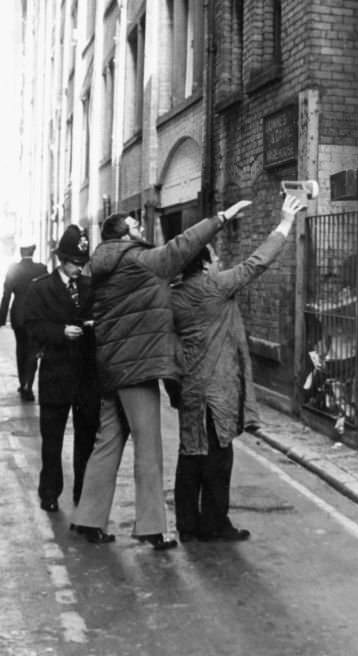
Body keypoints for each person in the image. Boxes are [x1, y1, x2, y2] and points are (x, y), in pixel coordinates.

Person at [70, 200, 251, 549]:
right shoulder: (137, 260)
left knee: (107, 442)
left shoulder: (101, 264)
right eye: (134, 226)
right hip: (137, 369)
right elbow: (179, 248)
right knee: (148, 449)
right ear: (123, 235)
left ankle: (88, 519)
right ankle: (152, 527)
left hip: (111, 365)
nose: (140, 229)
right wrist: (221, 218)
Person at [170, 194, 303, 542]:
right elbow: (256, 264)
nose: (218, 263)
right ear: (204, 265)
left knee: (190, 456)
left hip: (189, 388)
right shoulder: (213, 288)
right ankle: (214, 524)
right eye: (214, 258)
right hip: (217, 390)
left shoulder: (175, 296)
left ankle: (187, 523)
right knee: (217, 458)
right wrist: (285, 223)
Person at [25, 225, 100, 513]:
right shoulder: (41, 288)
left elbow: (99, 316)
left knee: (86, 441)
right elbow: (30, 326)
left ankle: (83, 494)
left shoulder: (89, 287)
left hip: (85, 376)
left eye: (83, 264)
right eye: (74, 264)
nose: (79, 269)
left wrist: (92, 326)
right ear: (61, 260)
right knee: (52, 440)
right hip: (56, 373)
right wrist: (59, 332)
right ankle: (49, 492)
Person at [0, 243, 47, 401]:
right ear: (34, 251)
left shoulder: (13, 269)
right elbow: (47, 293)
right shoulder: (41, 269)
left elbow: (6, 296)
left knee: (21, 349)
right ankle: (28, 385)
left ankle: (22, 381)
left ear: (20, 252)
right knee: (33, 350)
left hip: (18, 315)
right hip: (36, 316)